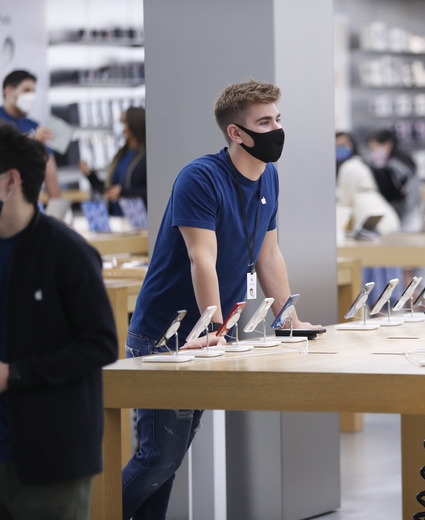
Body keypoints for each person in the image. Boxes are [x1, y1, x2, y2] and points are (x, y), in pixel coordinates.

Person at [122, 80, 320, 520]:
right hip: (168, 334)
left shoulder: (268, 176)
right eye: (264, 122)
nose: (277, 129)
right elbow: (201, 258)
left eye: (278, 119)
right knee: (157, 459)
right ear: (236, 133)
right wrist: (212, 328)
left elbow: (269, 253)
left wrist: (288, 317)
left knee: (166, 463)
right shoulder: (200, 177)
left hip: (209, 336)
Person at [0, 125, 118, 518]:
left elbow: (101, 343)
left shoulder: (67, 252)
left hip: (51, 455)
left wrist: (15, 373)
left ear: (10, 182)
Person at [0, 70, 61, 199]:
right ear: (9, 91)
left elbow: (49, 166)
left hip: (27, 204)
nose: (31, 96)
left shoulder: (34, 125)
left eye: (33, 91)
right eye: (26, 90)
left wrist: (57, 209)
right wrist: (31, 139)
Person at [80, 106, 147, 214]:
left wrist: (124, 192)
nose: (121, 127)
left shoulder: (146, 158)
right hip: (117, 217)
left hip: (139, 220)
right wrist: (90, 175)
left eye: (124, 122)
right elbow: (109, 189)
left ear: (135, 125)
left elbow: (150, 192)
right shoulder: (121, 155)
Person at [336, 131, 400, 235]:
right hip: (383, 214)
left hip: (369, 217)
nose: (340, 148)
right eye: (337, 146)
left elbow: (344, 204)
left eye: (343, 144)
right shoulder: (359, 162)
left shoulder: (349, 167)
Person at [367, 128, 423, 233]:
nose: (373, 153)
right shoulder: (405, 160)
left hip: (405, 213)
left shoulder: (396, 165)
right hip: (413, 211)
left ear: (387, 145)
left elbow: (397, 192)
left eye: (374, 148)